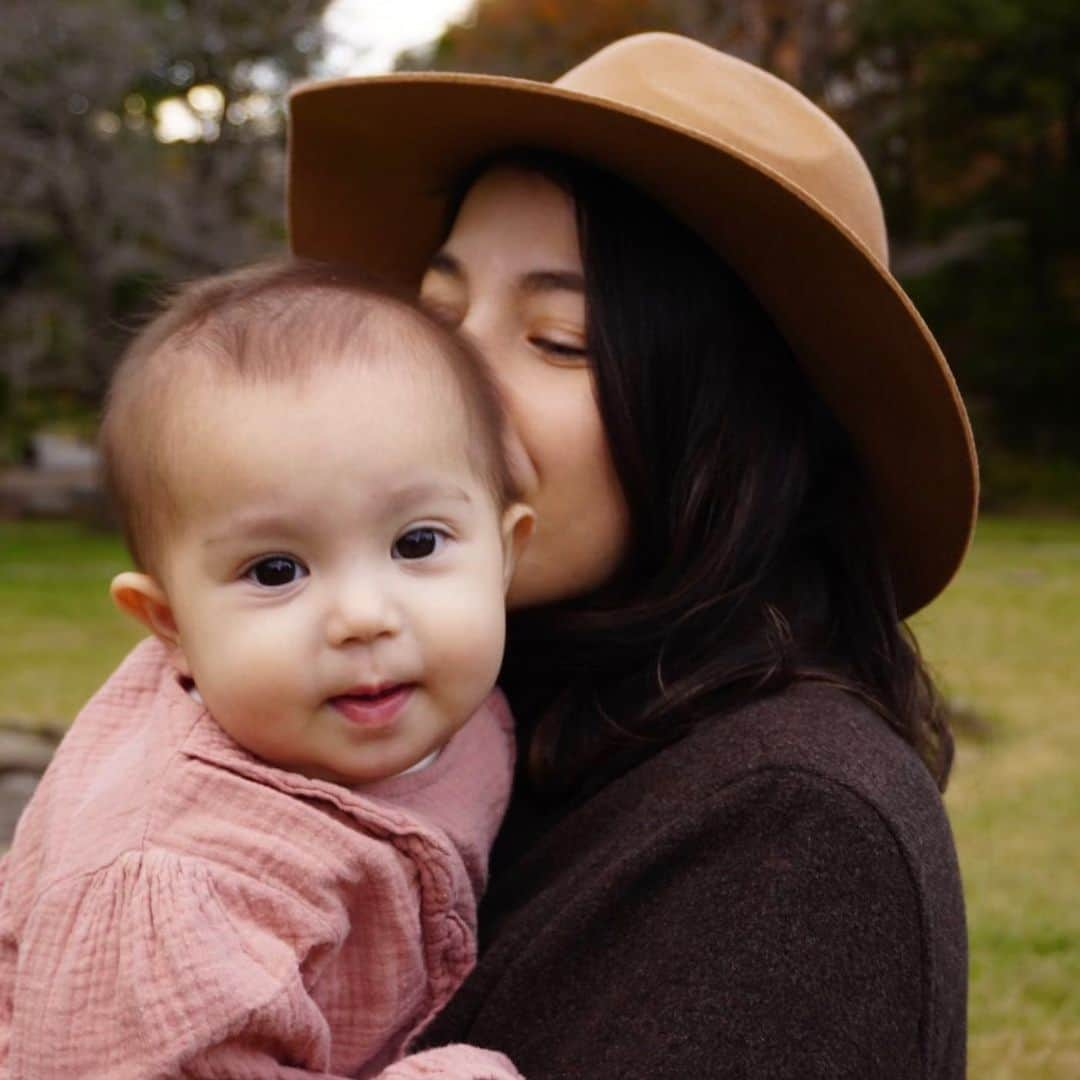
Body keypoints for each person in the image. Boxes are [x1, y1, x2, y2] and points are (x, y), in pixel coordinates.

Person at [285, 31, 977, 1078]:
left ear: (735, 438)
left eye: (558, 339)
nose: (439, 380)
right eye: (436, 316)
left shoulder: (791, 832)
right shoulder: (444, 719)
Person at [0, 260, 536, 1078]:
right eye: (276, 571)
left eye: (416, 544)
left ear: (506, 555)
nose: (364, 617)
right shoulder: (179, 889)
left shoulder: (473, 699)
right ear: (170, 625)